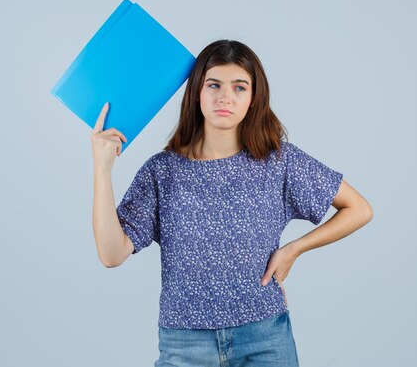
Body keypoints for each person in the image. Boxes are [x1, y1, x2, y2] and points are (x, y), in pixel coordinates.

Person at [91, 39, 373, 366]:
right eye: (214, 85)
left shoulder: (278, 162)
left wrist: (293, 249)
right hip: (185, 344)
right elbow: (112, 254)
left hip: (264, 337)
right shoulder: (163, 170)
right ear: (197, 92)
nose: (225, 96)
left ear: (253, 100)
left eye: (240, 87)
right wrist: (102, 169)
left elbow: (359, 209)